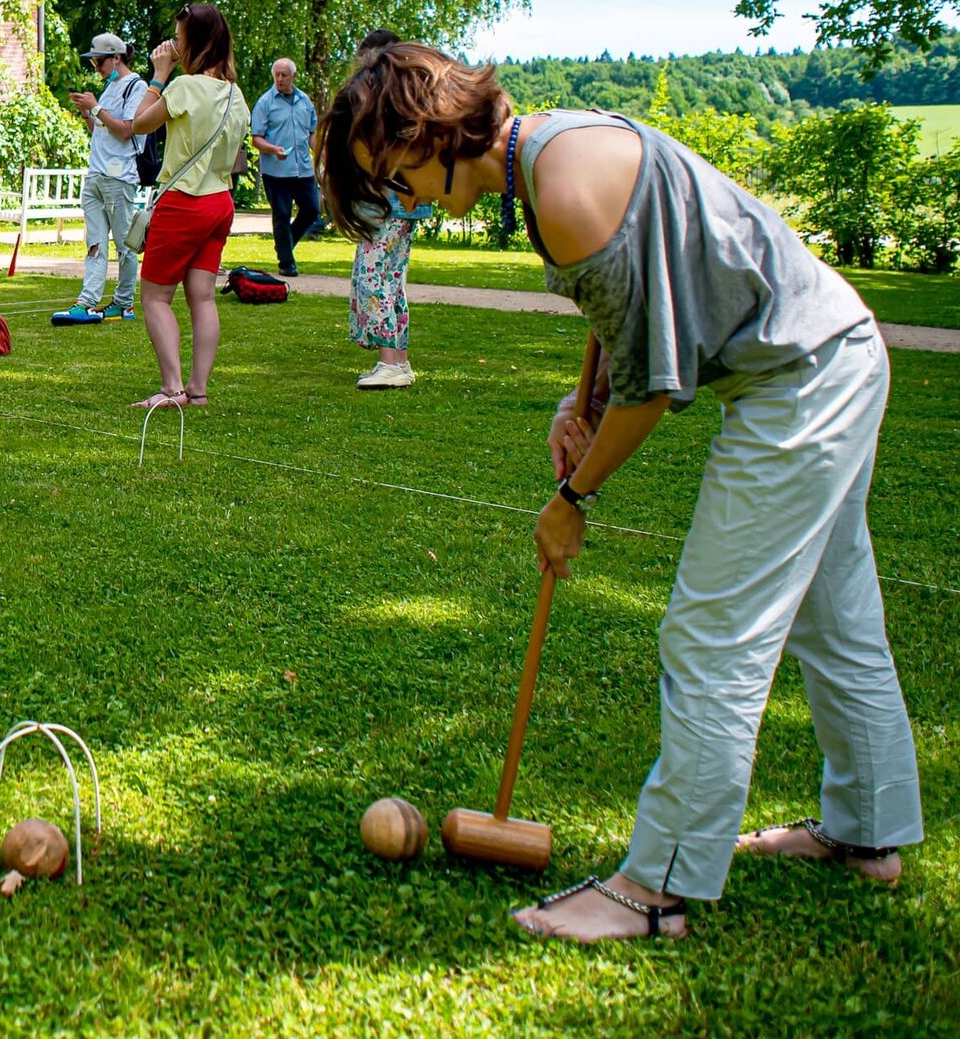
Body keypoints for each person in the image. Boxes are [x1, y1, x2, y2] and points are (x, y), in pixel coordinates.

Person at [316, 43, 924, 942]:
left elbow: (656, 390)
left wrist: (575, 495)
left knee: (712, 635)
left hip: (799, 379)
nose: (402, 198)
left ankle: (653, 889)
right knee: (835, 617)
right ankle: (867, 834)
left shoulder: (561, 191)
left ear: (430, 130)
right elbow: (630, 304)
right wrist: (580, 394)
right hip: (834, 349)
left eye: (394, 174)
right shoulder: (553, 149)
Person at [127, 3, 249, 410]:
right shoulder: (236, 95)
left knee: (155, 298)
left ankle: (172, 388)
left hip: (183, 204)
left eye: (180, 39)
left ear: (194, 42)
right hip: (219, 202)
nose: (175, 45)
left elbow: (138, 123)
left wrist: (159, 75)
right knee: (203, 298)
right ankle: (197, 390)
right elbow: (235, 161)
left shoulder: (183, 87)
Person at [347, 30, 427, 390]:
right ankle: (397, 360)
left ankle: (389, 361)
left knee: (373, 276)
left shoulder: (387, 98)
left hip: (387, 202)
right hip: (405, 202)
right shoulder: (412, 95)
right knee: (392, 279)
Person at [64, 34, 149, 322]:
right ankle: (86, 302)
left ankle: (124, 303)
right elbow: (102, 132)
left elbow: (127, 130)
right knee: (95, 243)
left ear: (117, 57)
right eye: (94, 62)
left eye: (99, 61)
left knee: (125, 244)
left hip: (119, 176)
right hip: (96, 174)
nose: (96, 67)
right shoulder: (110, 86)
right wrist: (89, 113)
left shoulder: (138, 87)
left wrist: (97, 108)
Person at [251, 57, 319, 277]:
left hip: (303, 169)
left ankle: (284, 243)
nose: (279, 79)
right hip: (276, 170)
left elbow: (312, 134)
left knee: (311, 210)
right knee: (281, 214)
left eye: (284, 75)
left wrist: (322, 156)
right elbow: (256, 138)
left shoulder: (304, 101)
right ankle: (286, 263)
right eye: (276, 75)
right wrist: (272, 149)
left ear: (293, 76)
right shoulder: (265, 103)